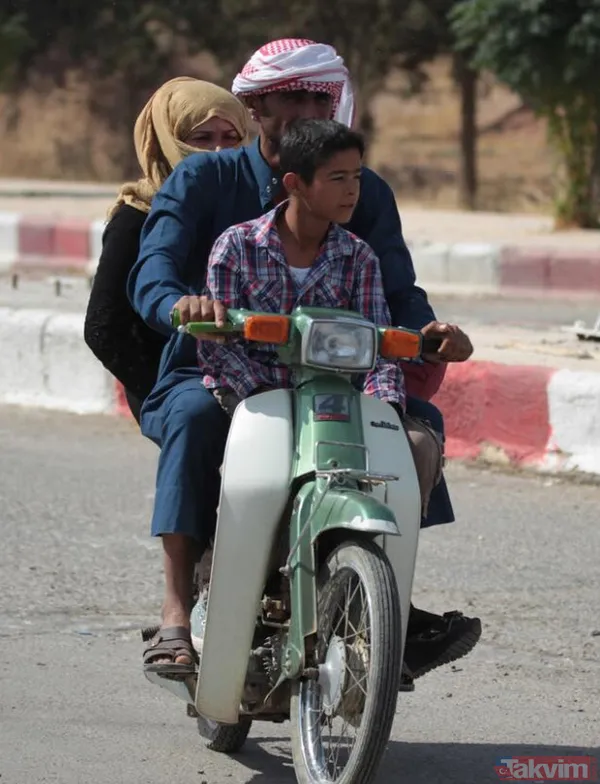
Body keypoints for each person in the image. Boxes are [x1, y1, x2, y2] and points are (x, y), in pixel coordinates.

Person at [130, 39, 481, 680]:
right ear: (256, 107)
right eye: (288, 99)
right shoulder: (205, 180)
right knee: (193, 421)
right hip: (218, 366)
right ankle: (177, 609)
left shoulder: (361, 190)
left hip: (331, 373)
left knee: (412, 432)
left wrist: (427, 330)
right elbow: (152, 269)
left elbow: (395, 291)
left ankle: (378, 598)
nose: (301, 111)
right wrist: (181, 306)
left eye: (316, 98)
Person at [84, 77, 251, 422]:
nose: (218, 152)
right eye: (202, 139)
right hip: (171, 384)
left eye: (230, 138)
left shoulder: (252, 208)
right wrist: (164, 393)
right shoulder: (136, 218)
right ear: (166, 141)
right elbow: (105, 329)